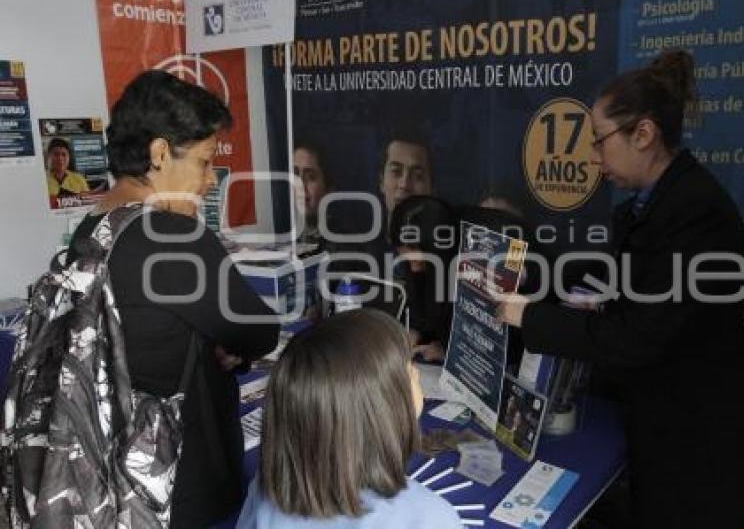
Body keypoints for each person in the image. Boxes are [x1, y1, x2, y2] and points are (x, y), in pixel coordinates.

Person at [497, 50, 744, 528]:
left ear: (643, 134)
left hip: (702, 455)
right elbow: (607, 274)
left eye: (600, 142)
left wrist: (529, 316)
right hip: (658, 428)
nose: (592, 157)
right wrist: (529, 276)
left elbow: (637, 337)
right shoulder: (648, 205)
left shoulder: (697, 213)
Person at [68, 70, 279, 528]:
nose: (209, 181)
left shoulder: (89, 231)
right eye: (204, 163)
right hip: (179, 481)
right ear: (159, 153)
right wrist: (227, 343)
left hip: (105, 468)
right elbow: (259, 330)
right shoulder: (174, 238)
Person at [237, 309, 463, 529]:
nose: (417, 374)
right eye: (408, 369)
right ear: (379, 408)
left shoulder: (269, 485)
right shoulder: (429, 518)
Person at [389, 195, 458, 362]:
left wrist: (448, 351)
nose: (413, 268)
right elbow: (420, 315)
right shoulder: (408, 266)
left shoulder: (469, 265)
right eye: (408, 260)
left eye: (420, 263)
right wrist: (413, 333)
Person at [292, 137, 331, 244]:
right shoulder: (284, 237)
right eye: (295, 174)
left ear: (328, 188)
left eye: (311, 177)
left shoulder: (344, 245)